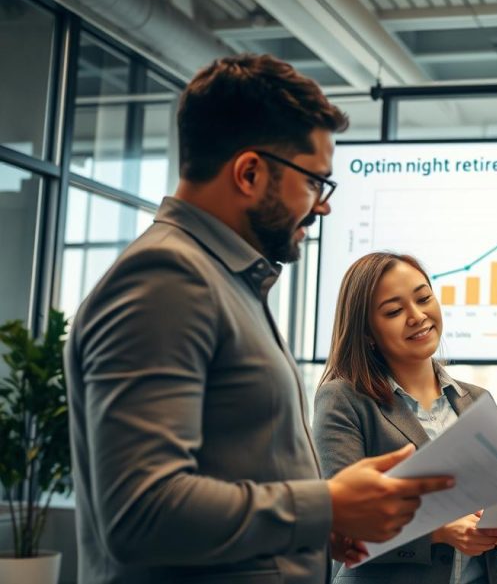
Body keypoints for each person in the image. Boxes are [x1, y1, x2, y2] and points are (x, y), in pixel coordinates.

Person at [64, 54, 452, 584]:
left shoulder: (220, 280)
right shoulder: (167, 280)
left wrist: (318, 525)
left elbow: (231, 474)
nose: (322, 206)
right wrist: (326, 506)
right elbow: (140, 512)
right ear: (249, 173)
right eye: (314, 182)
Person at [313, 252, 497, 584]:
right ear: (367, 332)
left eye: (424, 298)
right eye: (394, 311)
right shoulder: (343, 399)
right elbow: (344, 524)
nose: (417, 316)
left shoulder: (478, 400)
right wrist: (438, 533)